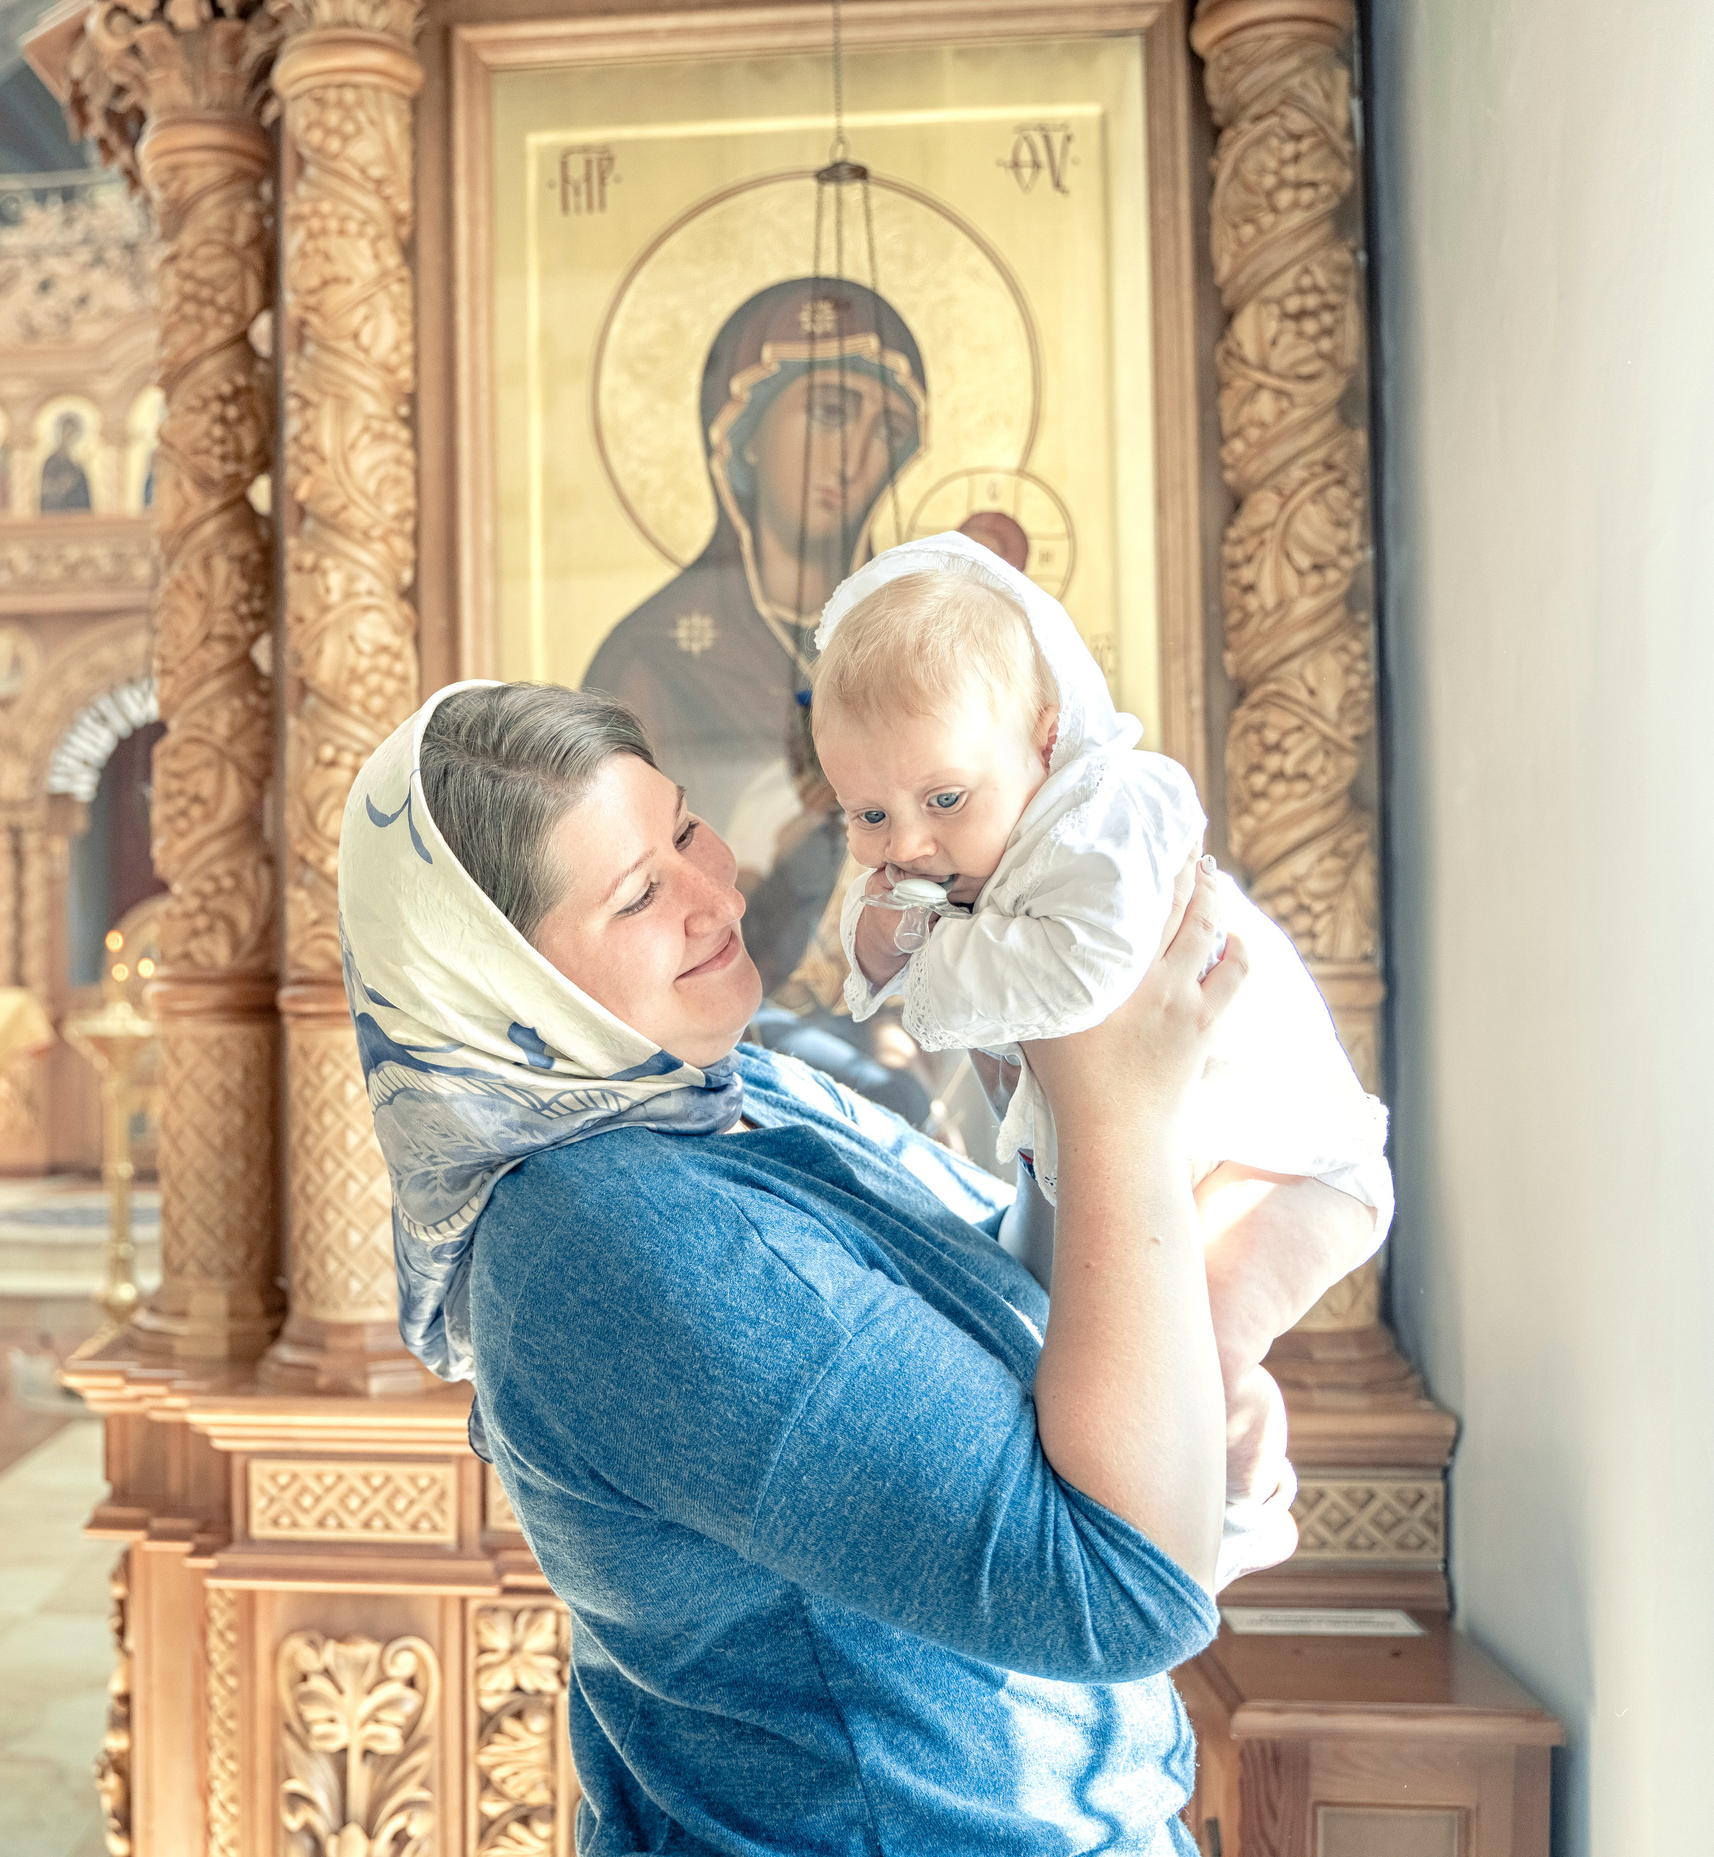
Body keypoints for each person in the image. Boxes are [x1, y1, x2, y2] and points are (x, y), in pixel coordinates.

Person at [341, 679, 1325, 1854]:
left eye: (686, 829)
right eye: (640, 894)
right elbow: (1119, 1589)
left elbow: (1050, 1329)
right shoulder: (609, 1236)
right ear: (501, 985)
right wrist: (1113, 1101)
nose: (717, 891)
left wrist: (1189, 1336)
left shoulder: (738, 1090)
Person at [812, 532, 1390, 1492]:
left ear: (1044, 740)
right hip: (1127, 1161)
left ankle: (1234, 1468)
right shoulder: (970, 844)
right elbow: (880, 938)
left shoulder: (1113, 812)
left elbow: (1082, 978)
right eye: (867, 814)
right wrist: (875, 939)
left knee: (1190, 1360)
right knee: (1066, 1362)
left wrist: (918, 949)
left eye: (943, 796)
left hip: (1282, 1163)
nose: (905, 842)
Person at [583, 276, 929, 994]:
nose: (854, 458)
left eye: (886, 432)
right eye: (831, 412)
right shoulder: (652, 659)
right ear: (740, 435)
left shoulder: (922, 648)